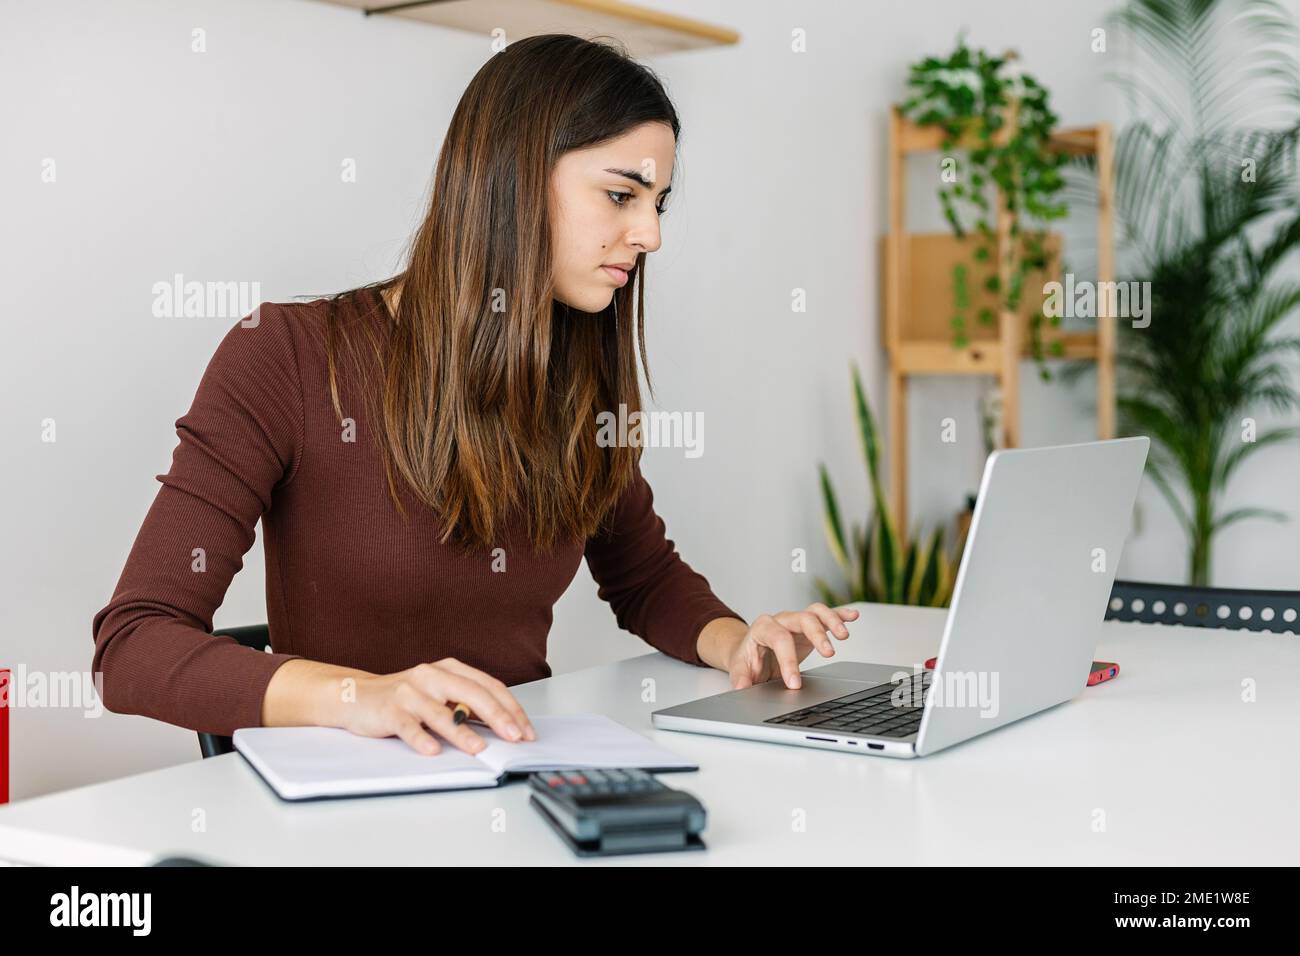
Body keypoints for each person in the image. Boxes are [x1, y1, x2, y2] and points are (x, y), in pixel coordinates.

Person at [92, 34, 857, 758]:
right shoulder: (286, 356)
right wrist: (366, 697)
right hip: (346, 806)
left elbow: (642, 573)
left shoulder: (576, 372)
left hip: (522, 779)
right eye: (622, 195)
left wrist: (738, 642)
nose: (650, 235)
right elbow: (132, 645)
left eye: (658, 203)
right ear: (514, 181)